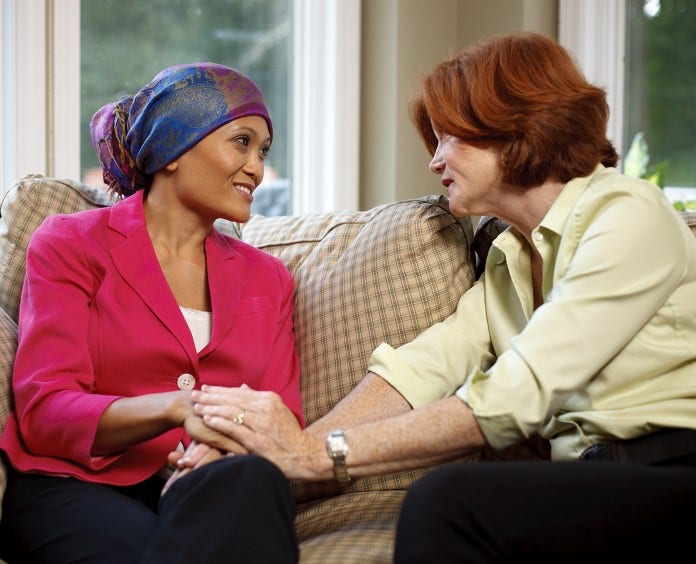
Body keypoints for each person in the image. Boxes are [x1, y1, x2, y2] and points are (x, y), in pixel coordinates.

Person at [171, 33, 696, 560]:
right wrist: (272, 452)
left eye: (449, 138)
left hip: (671, 469)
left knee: (447, 501)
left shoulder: (627, 213)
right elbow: (418, 369)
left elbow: (516, 396)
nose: (434, 161)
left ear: (514, 125)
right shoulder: (510, 257)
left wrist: (317, 453)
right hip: (591, 482)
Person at [0, 62, 303, 563]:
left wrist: (230, 448)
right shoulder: (71, 243)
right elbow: (45, 409)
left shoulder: (269, 278)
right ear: (174, 150)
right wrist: (177, 407)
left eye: (263, 151)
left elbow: (283, 413)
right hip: (77, 486)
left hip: (211, 488)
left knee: (250, 480)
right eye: (242, 142)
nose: (256, 166)